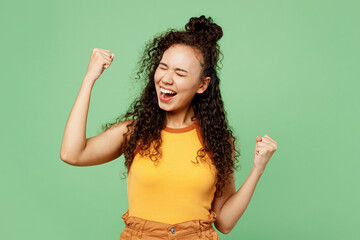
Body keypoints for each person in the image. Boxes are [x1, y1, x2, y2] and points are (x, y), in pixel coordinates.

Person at [60, 15, 278, 240]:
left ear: (202, 85)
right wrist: (89, 79)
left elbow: (224, 222)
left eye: (180, 73)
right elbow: (72, 154)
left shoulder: (217, 140)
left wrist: (258, 169)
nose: (166, 78)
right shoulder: (134, 132)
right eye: (163, 67)